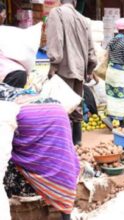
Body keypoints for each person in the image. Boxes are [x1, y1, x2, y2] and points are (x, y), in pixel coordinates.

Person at [0, 84, 80, 220]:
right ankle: (66, 213)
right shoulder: (8, 88)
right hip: (55, 108)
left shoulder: (5, 105)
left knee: (7, 163)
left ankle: (13, 198)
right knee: (62, 158)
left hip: (27, 114)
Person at [46, 0, 97, 145]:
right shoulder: (83, 19)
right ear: (74, 2)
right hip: (79, 69)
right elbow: (91, 49)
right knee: (76, 108)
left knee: (62, 108)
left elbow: (56, 39)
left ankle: (64, 145)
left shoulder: (57, 13)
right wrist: (90, 68)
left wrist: (54, 64)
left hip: (64, 68)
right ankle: (77, 142)